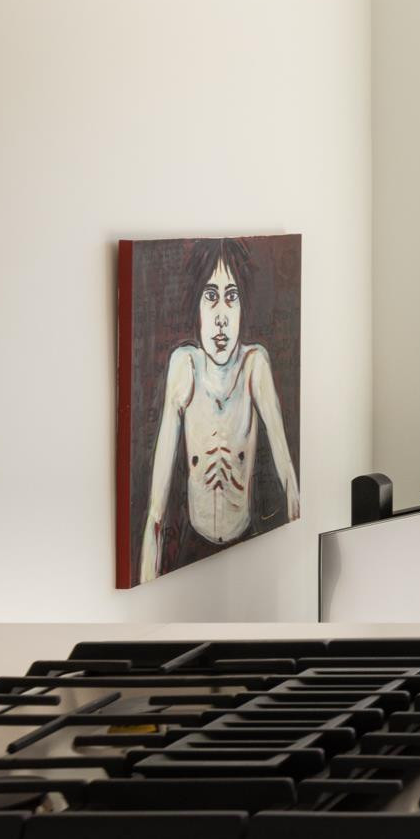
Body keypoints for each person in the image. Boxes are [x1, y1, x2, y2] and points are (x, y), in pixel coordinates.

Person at [139, 237, 301, 582]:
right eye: (210, 297)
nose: (222, 319)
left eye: (232, 297)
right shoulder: (184, 367)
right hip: (192, 552)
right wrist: (145, 576)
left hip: (246, 545)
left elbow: (288, 474)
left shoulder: (254, 366)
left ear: (244, 306)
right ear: (196, 304)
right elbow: (157, 505)